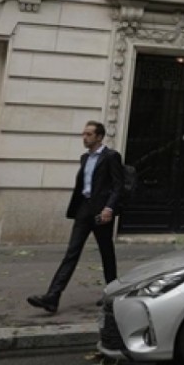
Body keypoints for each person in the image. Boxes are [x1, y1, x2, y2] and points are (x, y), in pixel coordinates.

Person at [27, 121, 125, 314]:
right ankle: (52, 297)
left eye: (89, 134)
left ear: (99, 137)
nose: (84, 137)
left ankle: (113, 295)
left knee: (106, 253)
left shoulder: (111, 157)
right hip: (84, 210)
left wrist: (109, 208)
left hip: (101, 212)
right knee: (71, 253)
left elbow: (118, 186)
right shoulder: (84, 158)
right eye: (83, 134)